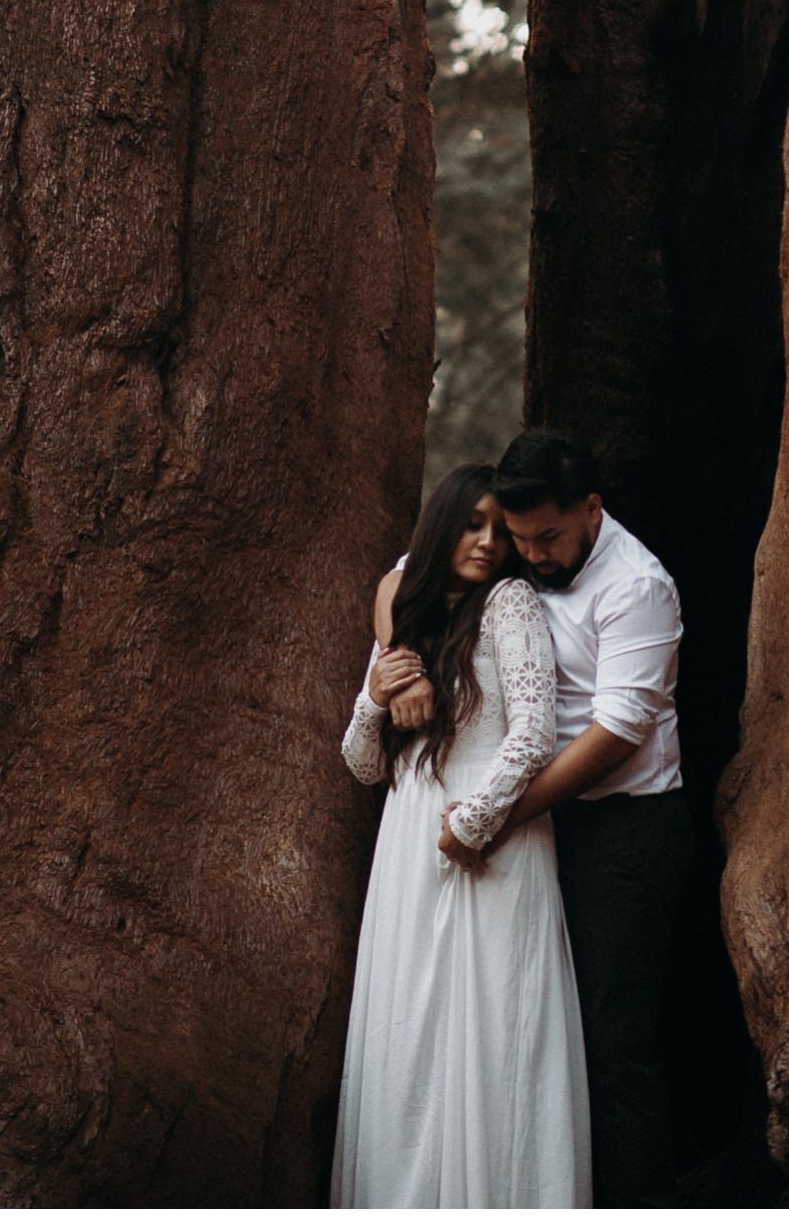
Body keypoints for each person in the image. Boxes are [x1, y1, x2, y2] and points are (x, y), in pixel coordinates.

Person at [331, 462, 591, 1209]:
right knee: (410, 1031)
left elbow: (537, 731)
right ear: (442, 526)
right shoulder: (408, 614)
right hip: (408, 840)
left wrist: (475, 823)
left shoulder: (510, 602)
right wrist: (374, 701)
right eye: (471, 524)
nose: (486, 541)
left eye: (497, 528)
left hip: (491, 840)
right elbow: (361, 764)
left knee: (496, 1024)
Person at [442, 429, 690, 1210]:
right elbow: (408, 574)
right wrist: (392, 654)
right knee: (537, 1029)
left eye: (546, 537)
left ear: (591, 508)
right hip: (544, 827)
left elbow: (616, 736)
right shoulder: (525, 545)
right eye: (520, 539)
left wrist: (498, 814)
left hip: (624, 832)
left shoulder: (637, 585)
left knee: (613, 1046)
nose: (532, 554)